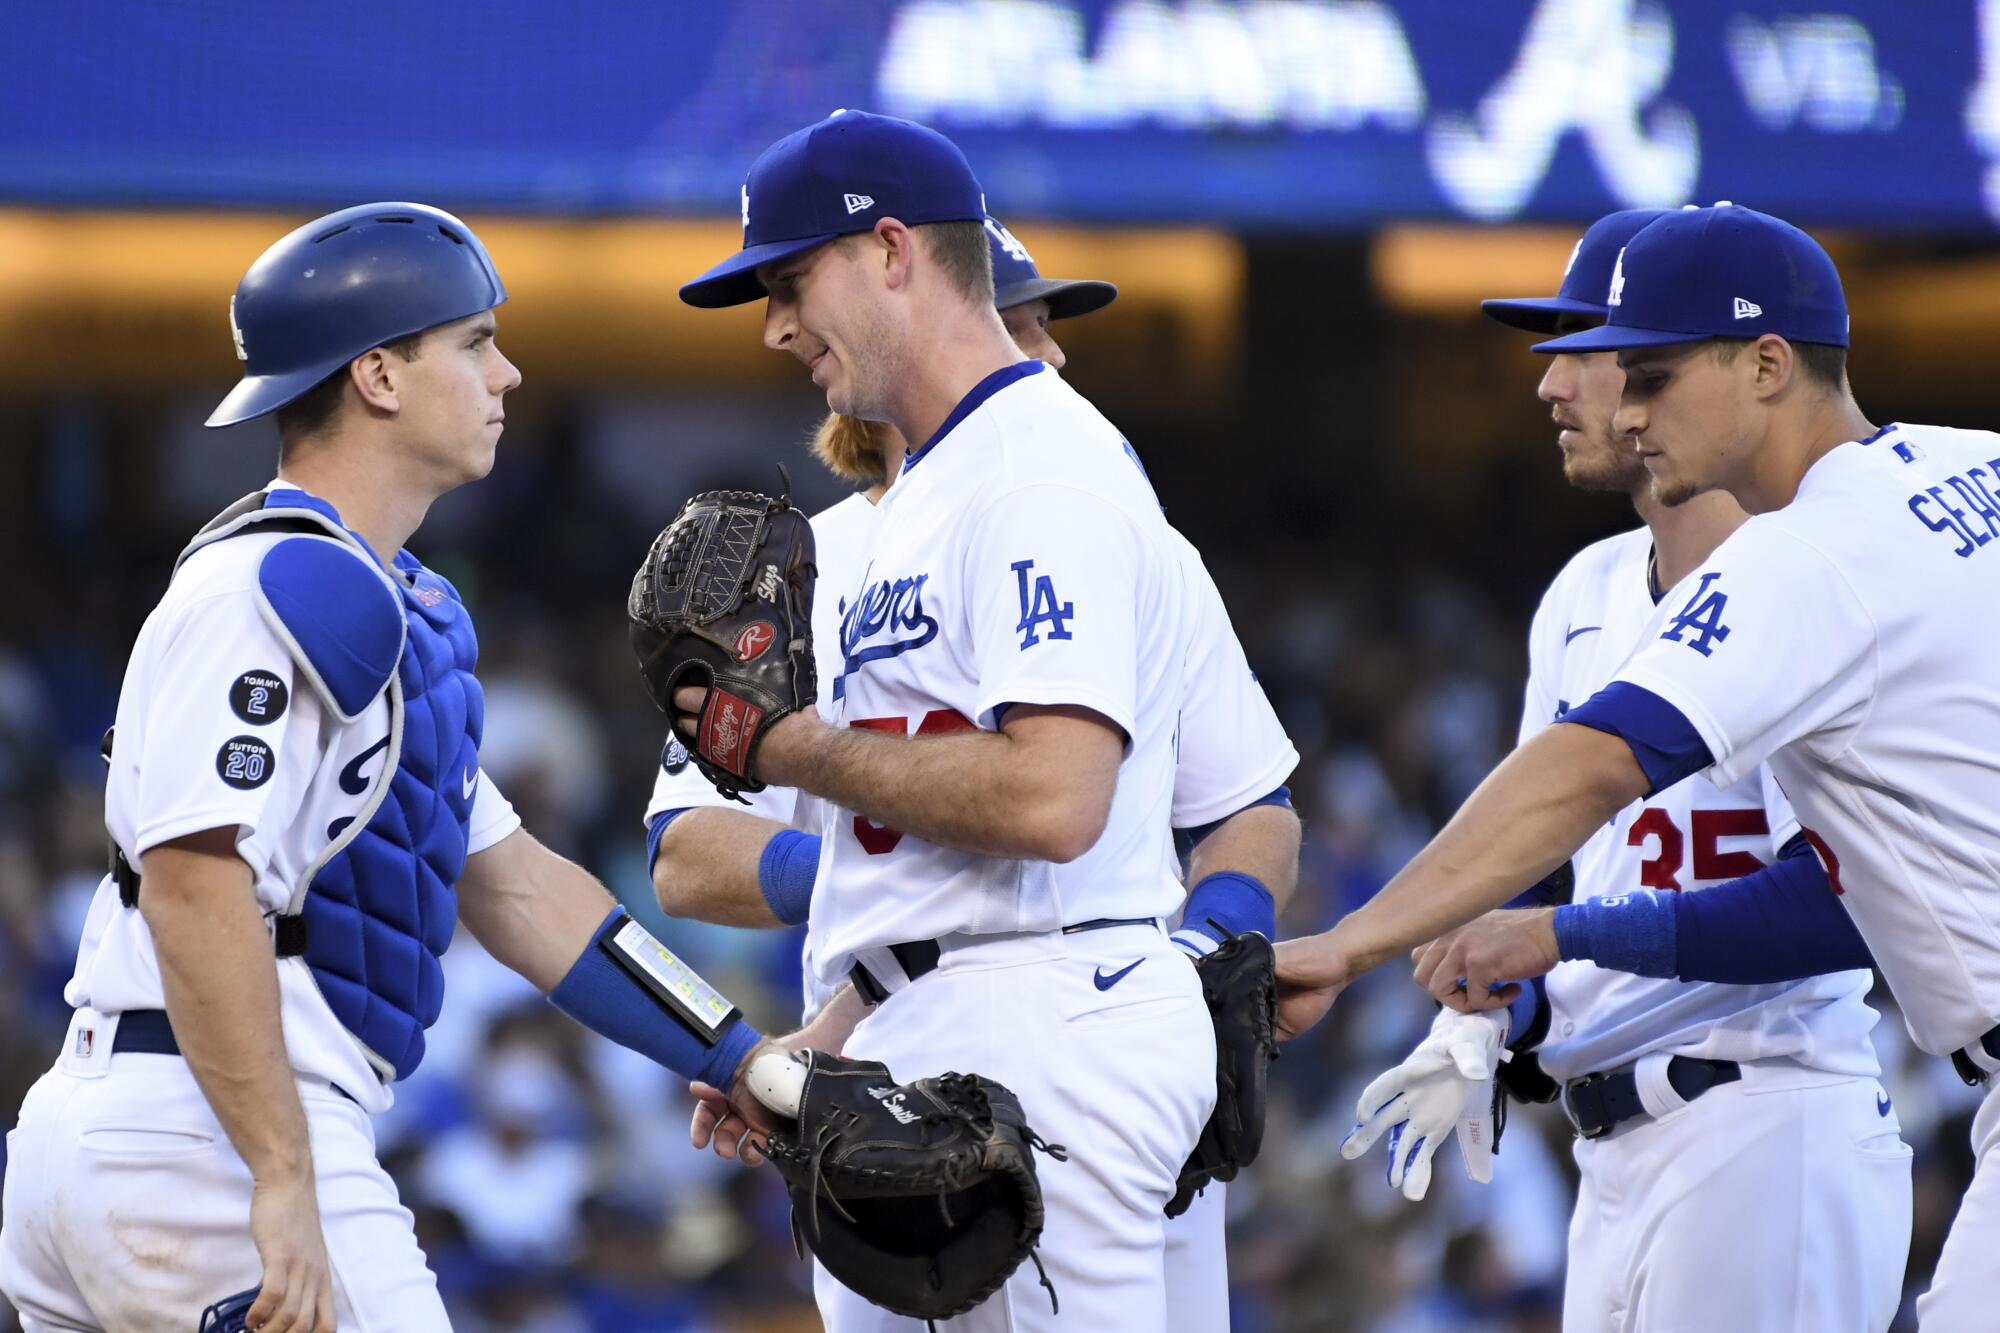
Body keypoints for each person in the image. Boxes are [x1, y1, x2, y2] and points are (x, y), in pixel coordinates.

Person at [0, 203, 780, 1333]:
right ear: (376, 374)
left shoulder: (388, 602)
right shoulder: (278, 583)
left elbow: (520, 890)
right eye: (472, 343)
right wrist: (278, 1176)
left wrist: (741, 1052)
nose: (506, 374)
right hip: (213, 1135)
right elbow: (194, 880)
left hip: (164, 1130)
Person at [1273, 203, 2000, 1328]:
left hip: (1764, 1104)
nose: (1617, 401)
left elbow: (1587, 771)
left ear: (1766, 364)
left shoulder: (1807, 557)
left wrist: (1347, 943)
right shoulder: (1969, 469)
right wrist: (1490, 1011)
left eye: (1649, 374)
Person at [651, 210, 1299, 1330]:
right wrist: (866, 909)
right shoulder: (812, 562)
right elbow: (684, 854)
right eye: (1025, 325)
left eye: (1047, 329)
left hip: (1084, 1006)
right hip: (890, 1030)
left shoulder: (1102, 515)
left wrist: (1207, 941)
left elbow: (1247, 806)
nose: (1048, 357)